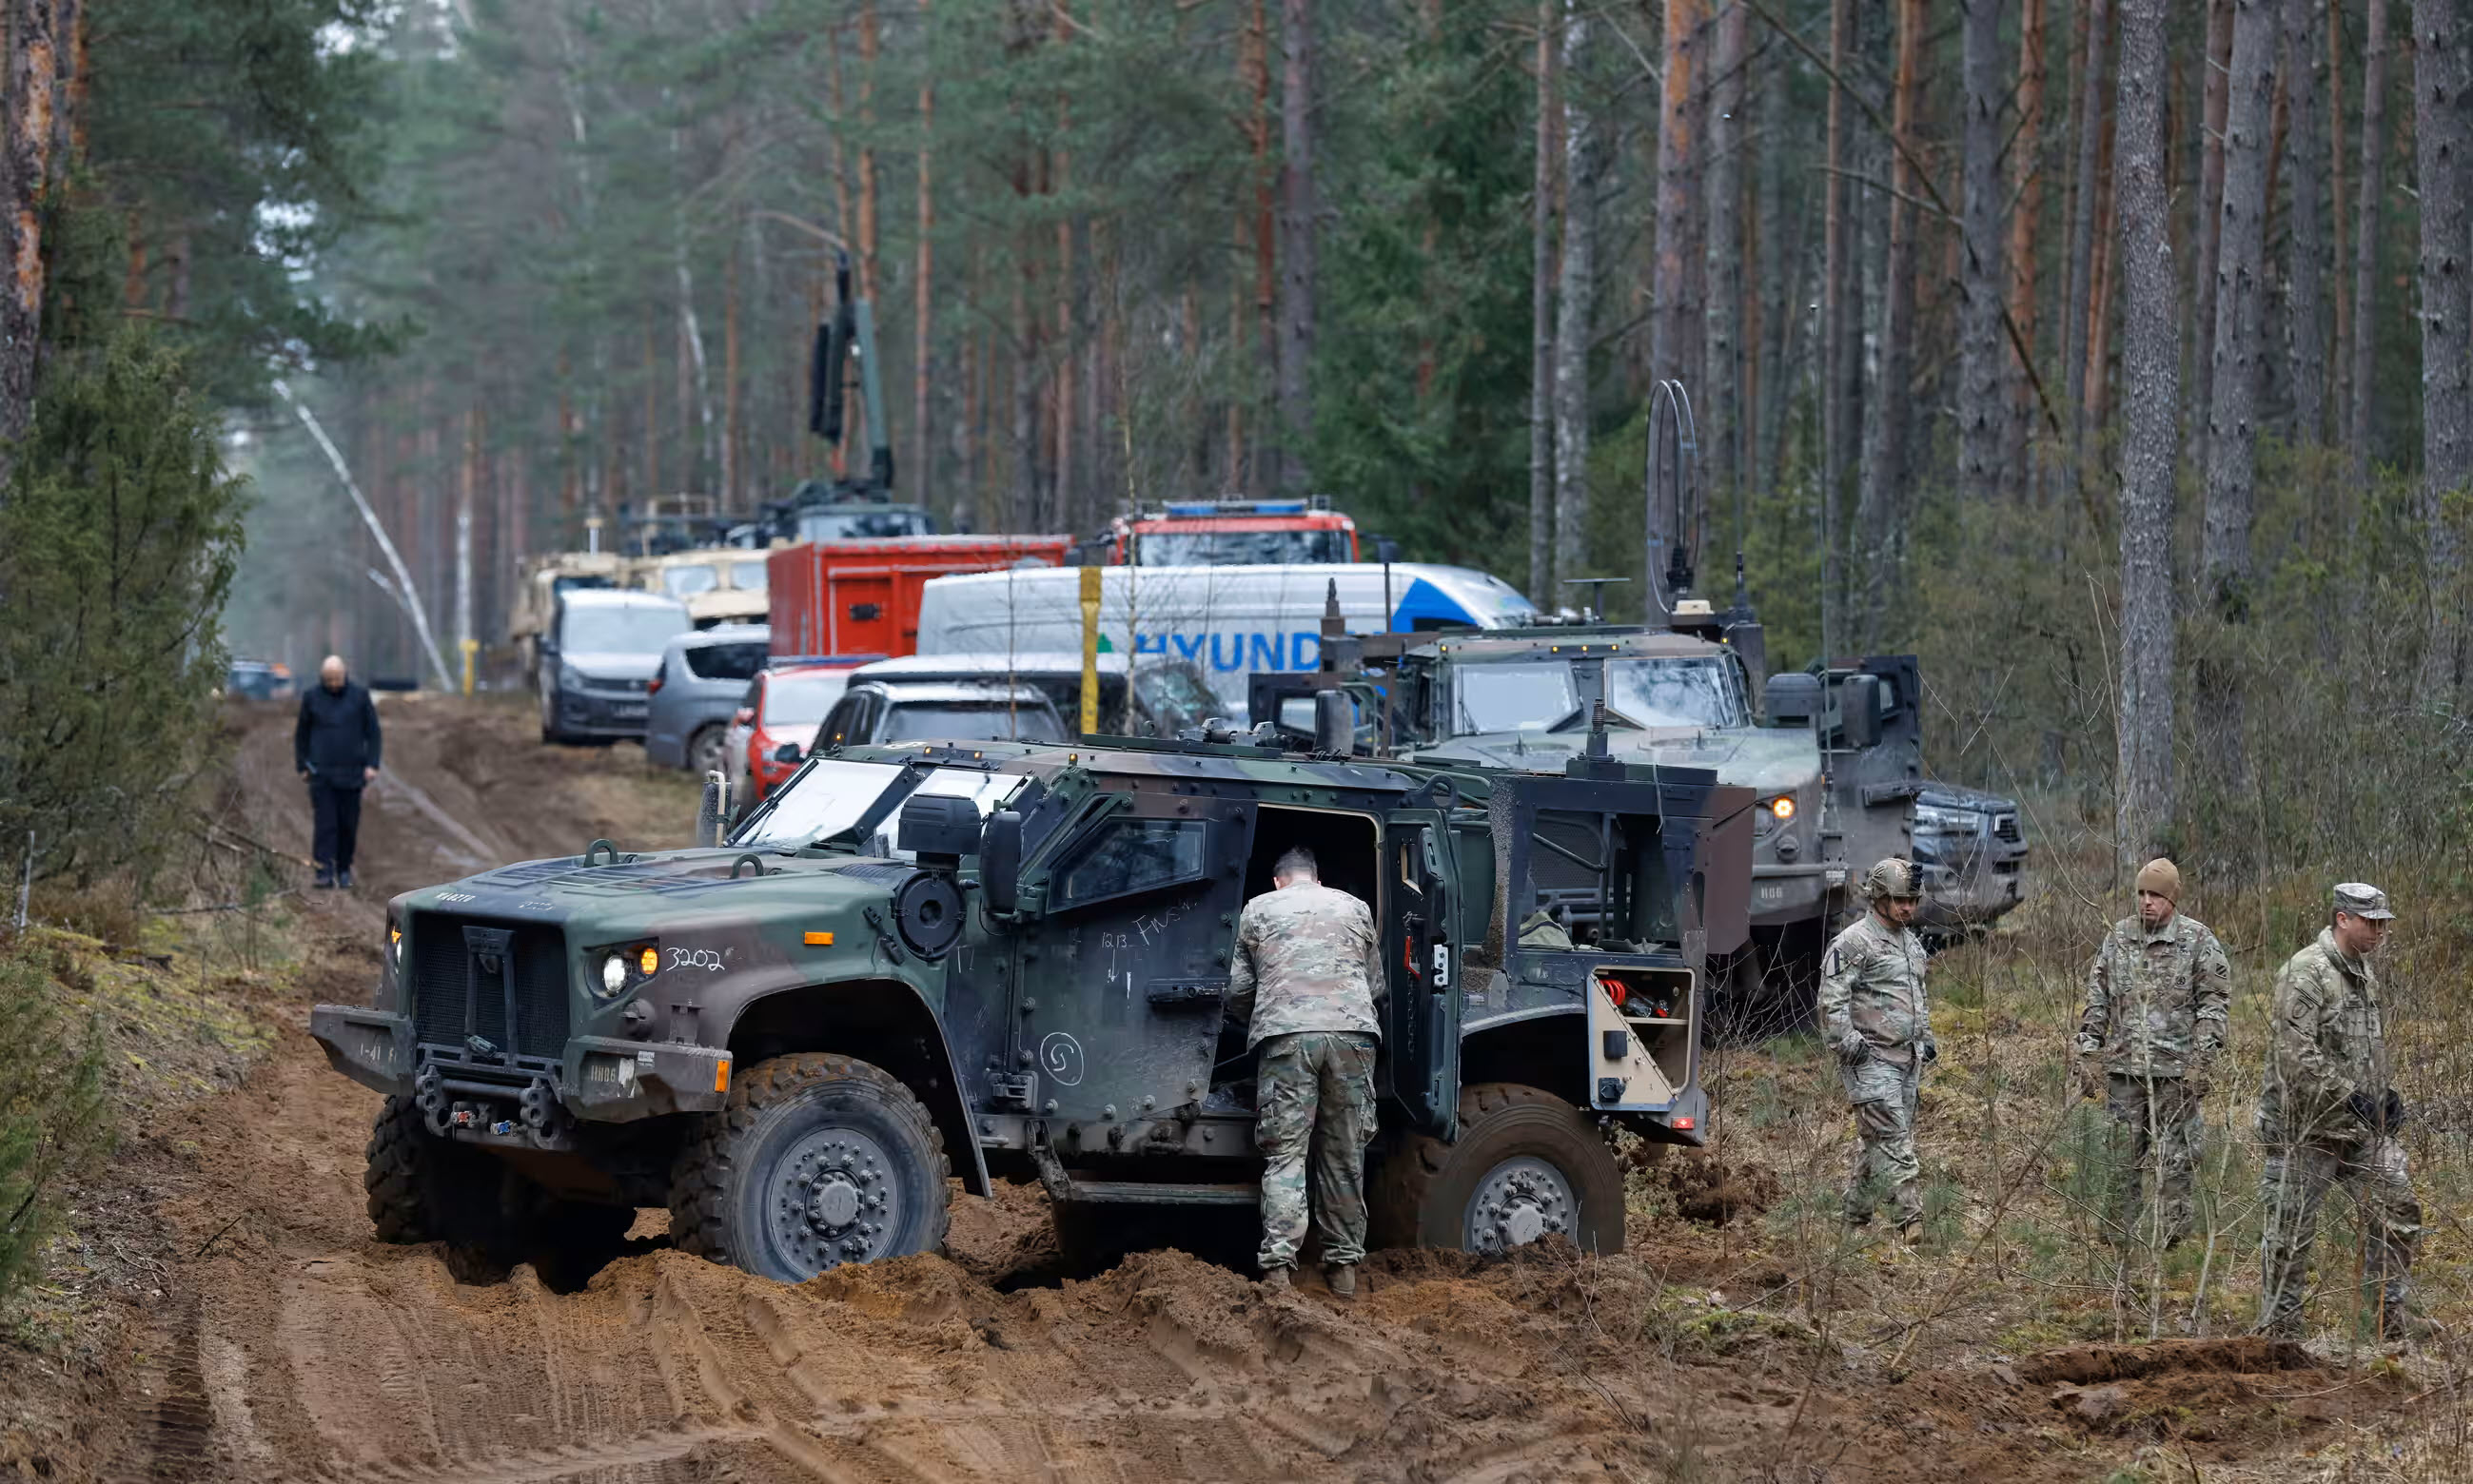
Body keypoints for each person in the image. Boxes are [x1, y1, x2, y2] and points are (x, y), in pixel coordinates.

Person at [2257, 883, 2432, 1342]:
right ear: (2342, 919)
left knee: (2398, 1206)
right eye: (2371, 922)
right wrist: (2353, 1094)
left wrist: (2384, 1093)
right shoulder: (2305, 972)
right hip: (2303, 1127)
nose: (2380, 931)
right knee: (2289, 1236)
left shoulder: (2362, 972)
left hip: (2355, 1128)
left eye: (2383, 923)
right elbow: (2295, 1054)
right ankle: (2281, 1334)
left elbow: (2363, 1045)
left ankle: (2385, 1319)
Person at [1226, 846, 1385, 1298]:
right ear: (1316, 878)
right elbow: (1374, 984)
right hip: (1352, 1037)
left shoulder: (1258, 909)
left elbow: (1238, 988)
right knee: (1344, 1155)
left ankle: (1278, 1267)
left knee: (1286, 1155)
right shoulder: (1355, 907)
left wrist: (1260, 1015)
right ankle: (1343, 1270)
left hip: (1287, 1038)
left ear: (1279, 880)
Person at [2072, 859, 2229, 1253]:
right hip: (2125, 1074)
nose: (2146, 902)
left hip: (2176, 1076)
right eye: (2141, 894)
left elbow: (2214, 1006)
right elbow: (2097, 1000)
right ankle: (2115, 1248)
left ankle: (2172, 1249)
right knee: (2119, 1161)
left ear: (2172, 898)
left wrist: (2202, 1061)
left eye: (2155, 895)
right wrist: (2089, 1052)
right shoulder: (2118, 938)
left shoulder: (2198, 941)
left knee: (2177, 1164)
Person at [1819, 857, 1935, 1245]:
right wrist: (1850, 1046)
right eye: (1900, 899)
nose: (1908, 907)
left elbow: (1917, 995)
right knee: (1893, 1142)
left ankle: (1853, 1226)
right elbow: (1830, 1000)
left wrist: (1926, 1038)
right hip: (1870, 1060)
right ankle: (1913, 1226)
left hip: (1908, 1059)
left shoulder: (1910, 943)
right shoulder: (1853, 941)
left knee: (1877, 1144)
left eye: (1913, 900)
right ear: (1879, 898)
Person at [294, 655, 382, 888]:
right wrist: (302, 765)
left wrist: (372, 765)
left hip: (352, 775)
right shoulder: (311, 697)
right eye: (329, 679)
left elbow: (373, 732)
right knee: (324, 825)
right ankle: (323, 871)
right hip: (321, 774)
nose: (333, 683)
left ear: (345, 675)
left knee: (347, 825)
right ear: (322, 678)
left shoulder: (360, 697)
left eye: (337, 679)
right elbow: (301, 734)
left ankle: (344, 870)